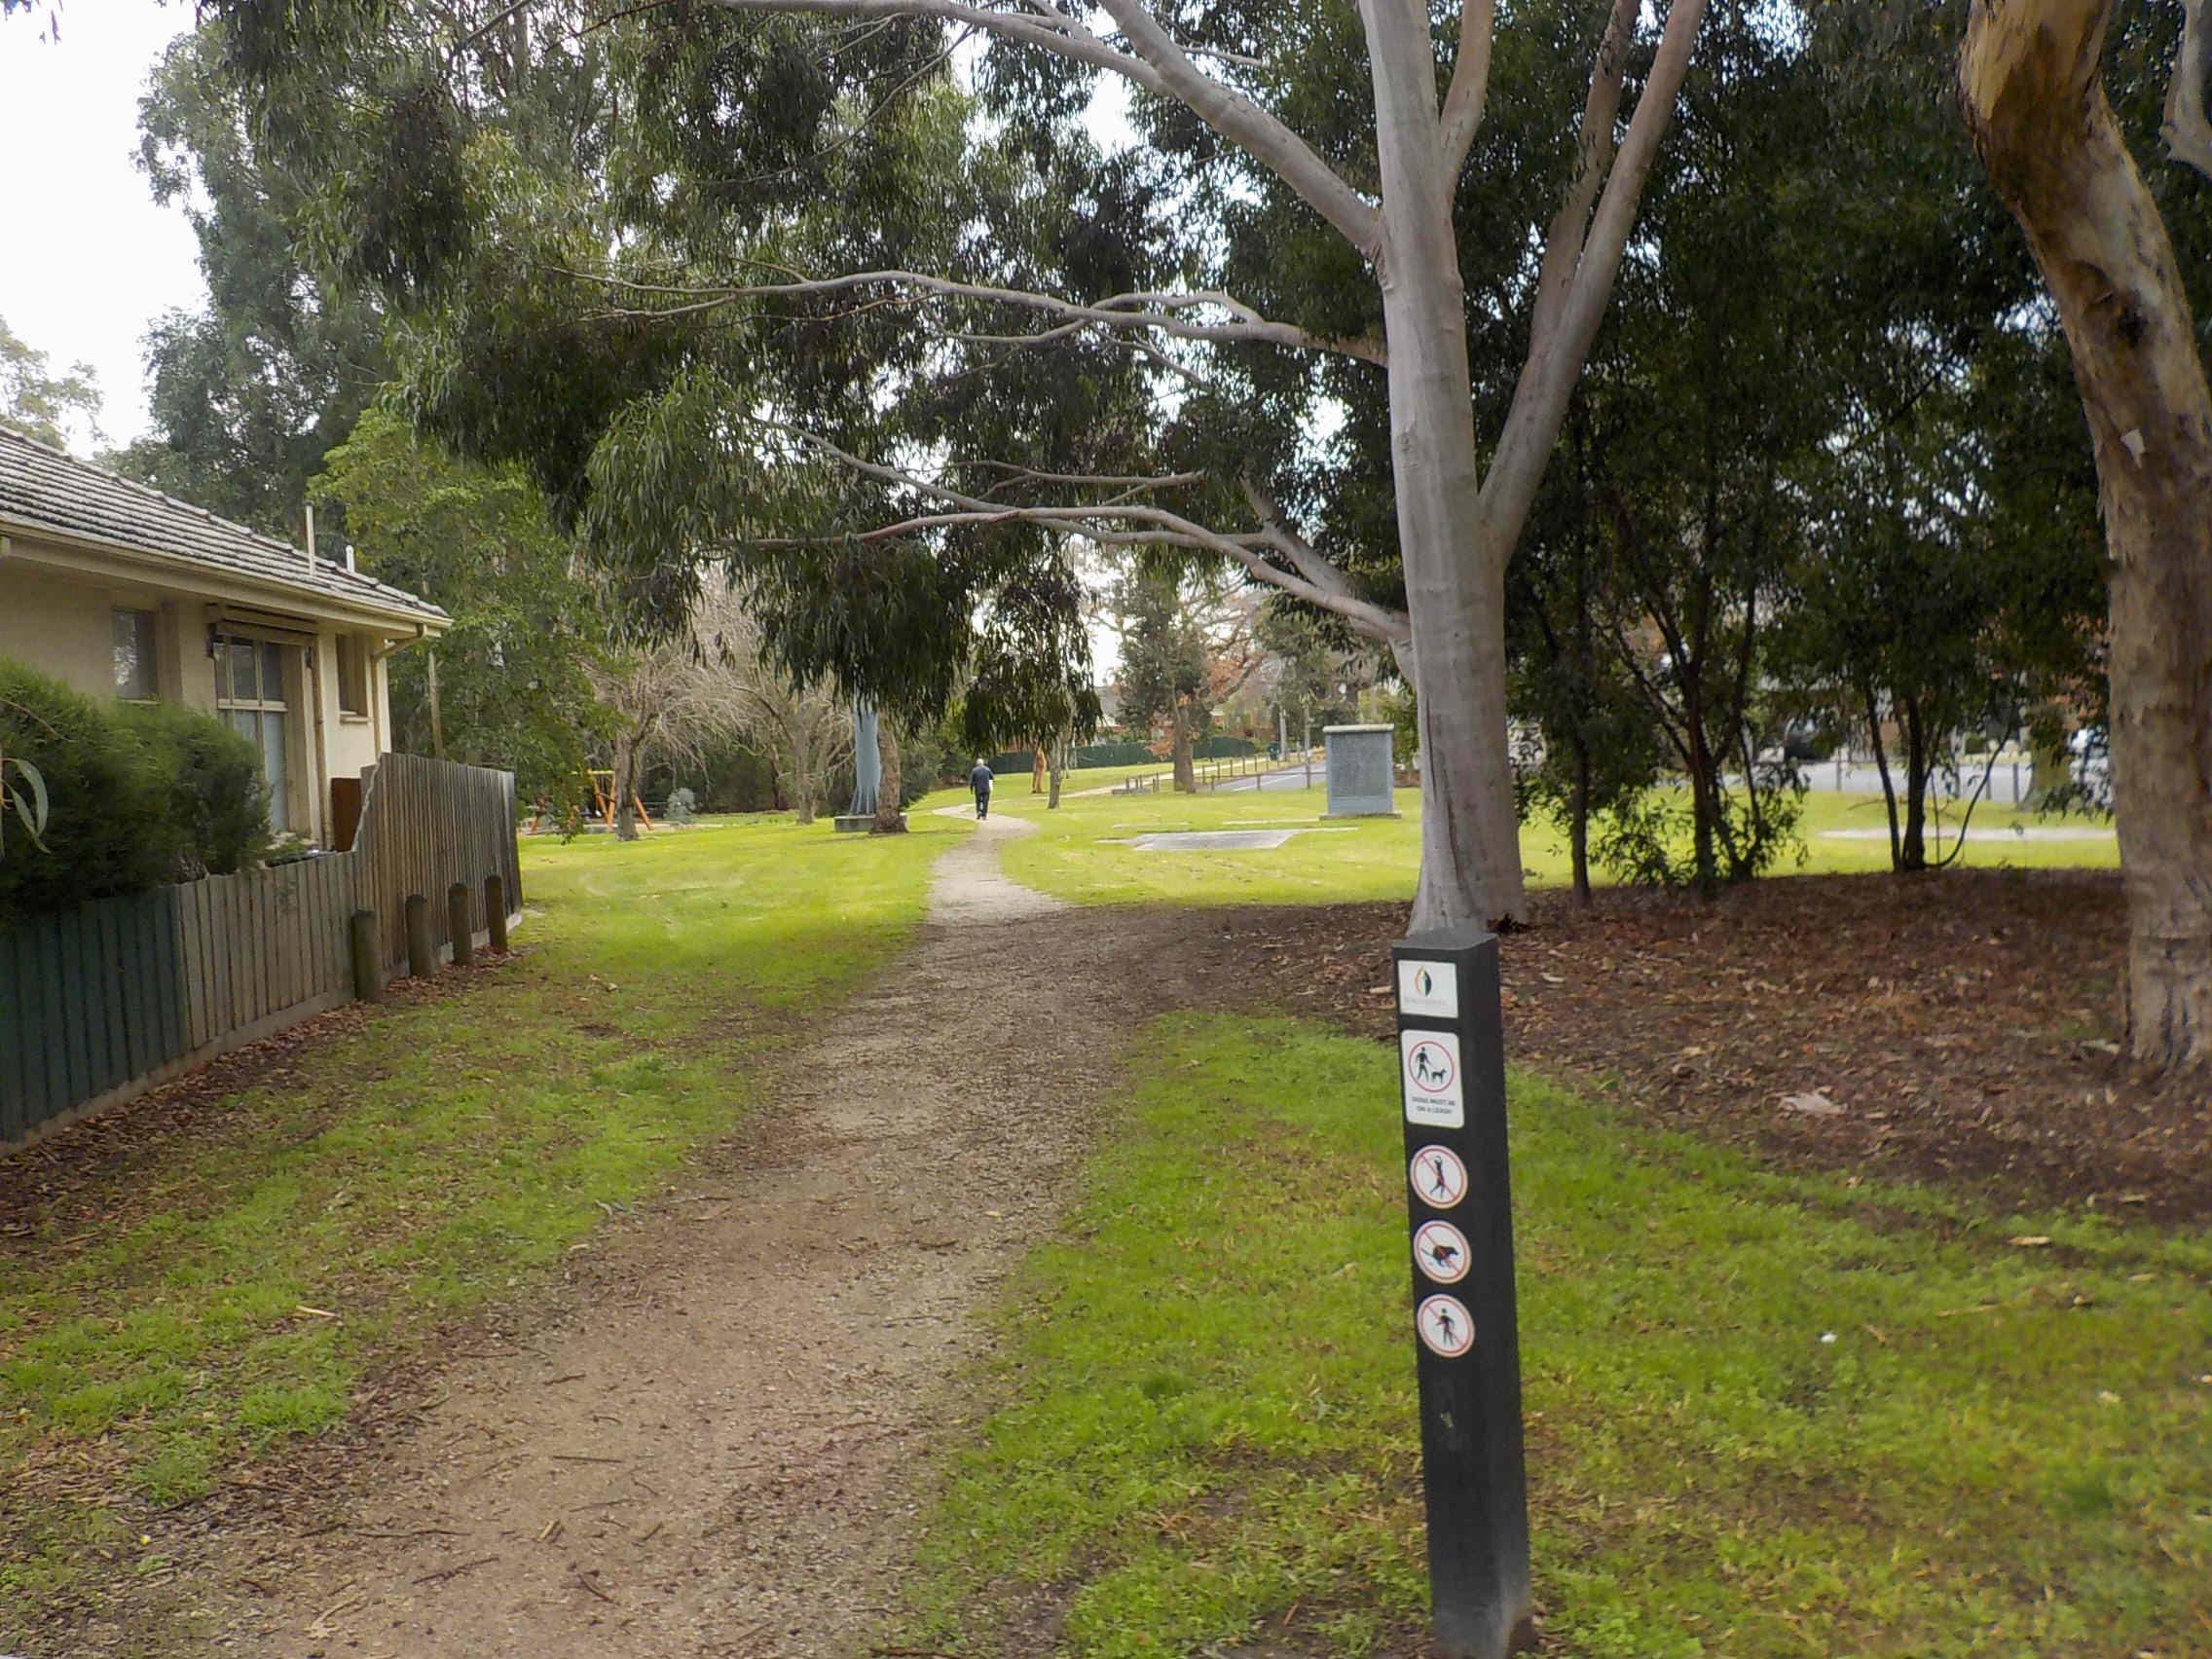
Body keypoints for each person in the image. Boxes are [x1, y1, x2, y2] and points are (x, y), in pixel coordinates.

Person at [968, 756, 994, 820]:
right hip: (986, 789)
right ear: (983, 763)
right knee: (985, 802)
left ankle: (979, 812)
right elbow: (992, 777)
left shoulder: (974, 770)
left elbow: (971, 781)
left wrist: (971, 789)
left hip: (978, 789)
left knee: (978, 801)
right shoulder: (987, 769)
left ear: (977, 764)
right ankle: (984, 815)